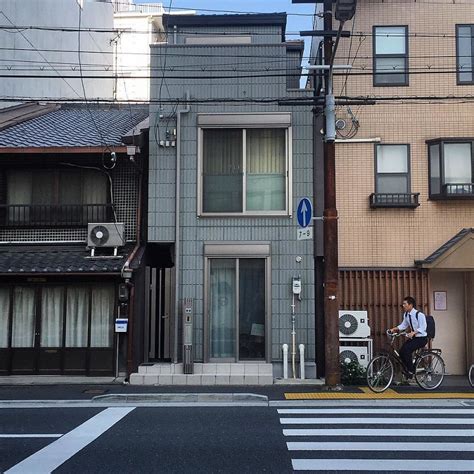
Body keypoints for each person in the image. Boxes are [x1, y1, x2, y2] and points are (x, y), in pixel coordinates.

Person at [388, 296, 428, 378]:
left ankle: (411, 370)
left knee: (407, 350)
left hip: (421, 338)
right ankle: (409, 369)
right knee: (402, 351)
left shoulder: (419, 315)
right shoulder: (406, 315)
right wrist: (393, 329)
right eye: (403, 304)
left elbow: (423, 327)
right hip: (414, 338)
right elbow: (403, 325)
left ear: (410, 305)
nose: (403, 305)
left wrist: (414, 332)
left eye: (404, 304)